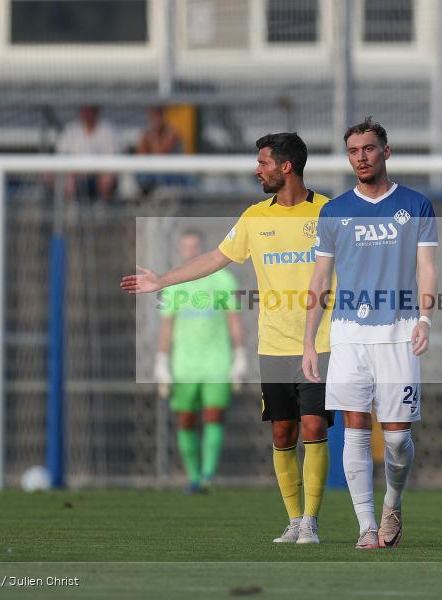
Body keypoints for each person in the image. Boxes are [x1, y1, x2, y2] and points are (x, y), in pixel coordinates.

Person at [121, 132, 333, 544]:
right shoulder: (255, 217)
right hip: (272, 345)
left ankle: (311, 520)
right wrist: (162, 280)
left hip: (320, 343)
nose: (257, 170)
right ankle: (293, 520)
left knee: (313, 427)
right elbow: (215, 258)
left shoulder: (328, 213)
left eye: (263, 163)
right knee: (282, 433)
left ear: (285, 166)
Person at [302, 117, 438, 549]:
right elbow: (320, 280)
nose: (361, 157)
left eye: (368, 149)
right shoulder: (334, 211)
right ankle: (365, 528)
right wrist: (310, 340)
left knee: (397, 439)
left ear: (386, 152)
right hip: (347, 334)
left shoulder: (416, 205)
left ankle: (392, 503)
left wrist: (426, 318)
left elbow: (427, 269)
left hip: (398, 332)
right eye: (353, 151)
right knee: (355, 427)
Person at [156, 228, 246, 493]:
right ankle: (193, 477)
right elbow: (167, 326)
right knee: (186, 419)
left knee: (214, 416)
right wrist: (161, 361)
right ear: (180, 250)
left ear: (202, 248)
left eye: (195, 246)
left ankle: (207, 476)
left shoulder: (223, 281)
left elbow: (234, 321)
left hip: (216, 360)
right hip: (184, 363)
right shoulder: (174, 285)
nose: (191, 251)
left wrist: (239, 356)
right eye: (186, 247)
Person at [55, 105, 122, 202]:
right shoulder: (70, 130)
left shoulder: (108, 130)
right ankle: (72, 213)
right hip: (77, 176)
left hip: (99, 175)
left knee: (108, 178)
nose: (87, 114)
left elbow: (114, 158)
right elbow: (60, 155)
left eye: (90, 110)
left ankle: (102, 212)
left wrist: (102, 172)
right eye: (84, 110)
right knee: (65, 180)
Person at [135, 106, 184, 196]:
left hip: (172, 174)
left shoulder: (172, 132)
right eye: (152, 117)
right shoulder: (146, 134)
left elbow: (160, 154)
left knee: (159, 175)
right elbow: (140, 154)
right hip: (154, 173)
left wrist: (154, 136)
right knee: (141, 175)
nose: (155, 120)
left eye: (157, 116)